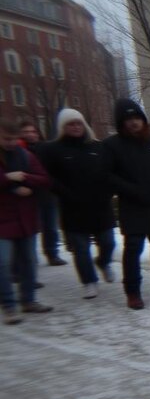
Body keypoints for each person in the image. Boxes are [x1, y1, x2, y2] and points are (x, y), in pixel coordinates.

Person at [102, 99, 150, 310]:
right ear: (121, 123)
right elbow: (107, 176)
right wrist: (132, 190)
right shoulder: (112, 145)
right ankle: (132, 291)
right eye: (128, 119)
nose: (134, 123)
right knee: (134, 248)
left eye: (137, 118)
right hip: (133, 205)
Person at [37, 109, 116, 300]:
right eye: (70, 124)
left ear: (84, 125)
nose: (75, 127)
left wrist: (108, 191)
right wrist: (64, 193)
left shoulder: (97, 147)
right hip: (73, 207)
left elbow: (110, 171)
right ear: (63, 127)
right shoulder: (54, 150)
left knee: (108, 242)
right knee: (81, 248)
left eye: (78, 123)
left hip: (100, 206)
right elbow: (48, 177)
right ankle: (89, 281)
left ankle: (103, 262)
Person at [1, 118, 54, 324]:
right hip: (3, 220)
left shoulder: (26, 156)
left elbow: (44, 179)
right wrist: (9, 179)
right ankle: (8, 305)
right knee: (3, 264)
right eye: (6, 138)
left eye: (14, 138)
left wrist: (23, 177)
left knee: (29, 262)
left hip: (25, 217)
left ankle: (29, 300)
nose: (11, 142)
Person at [19, 120, 66, 267]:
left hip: (47, 194)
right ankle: (29, 260)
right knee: (31, 229)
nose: (30, 135)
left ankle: (52, 254)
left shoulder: (45, 148)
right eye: (26, 132)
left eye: (33, 131)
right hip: (29, 195)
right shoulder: (18, 150)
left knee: (51, 226)